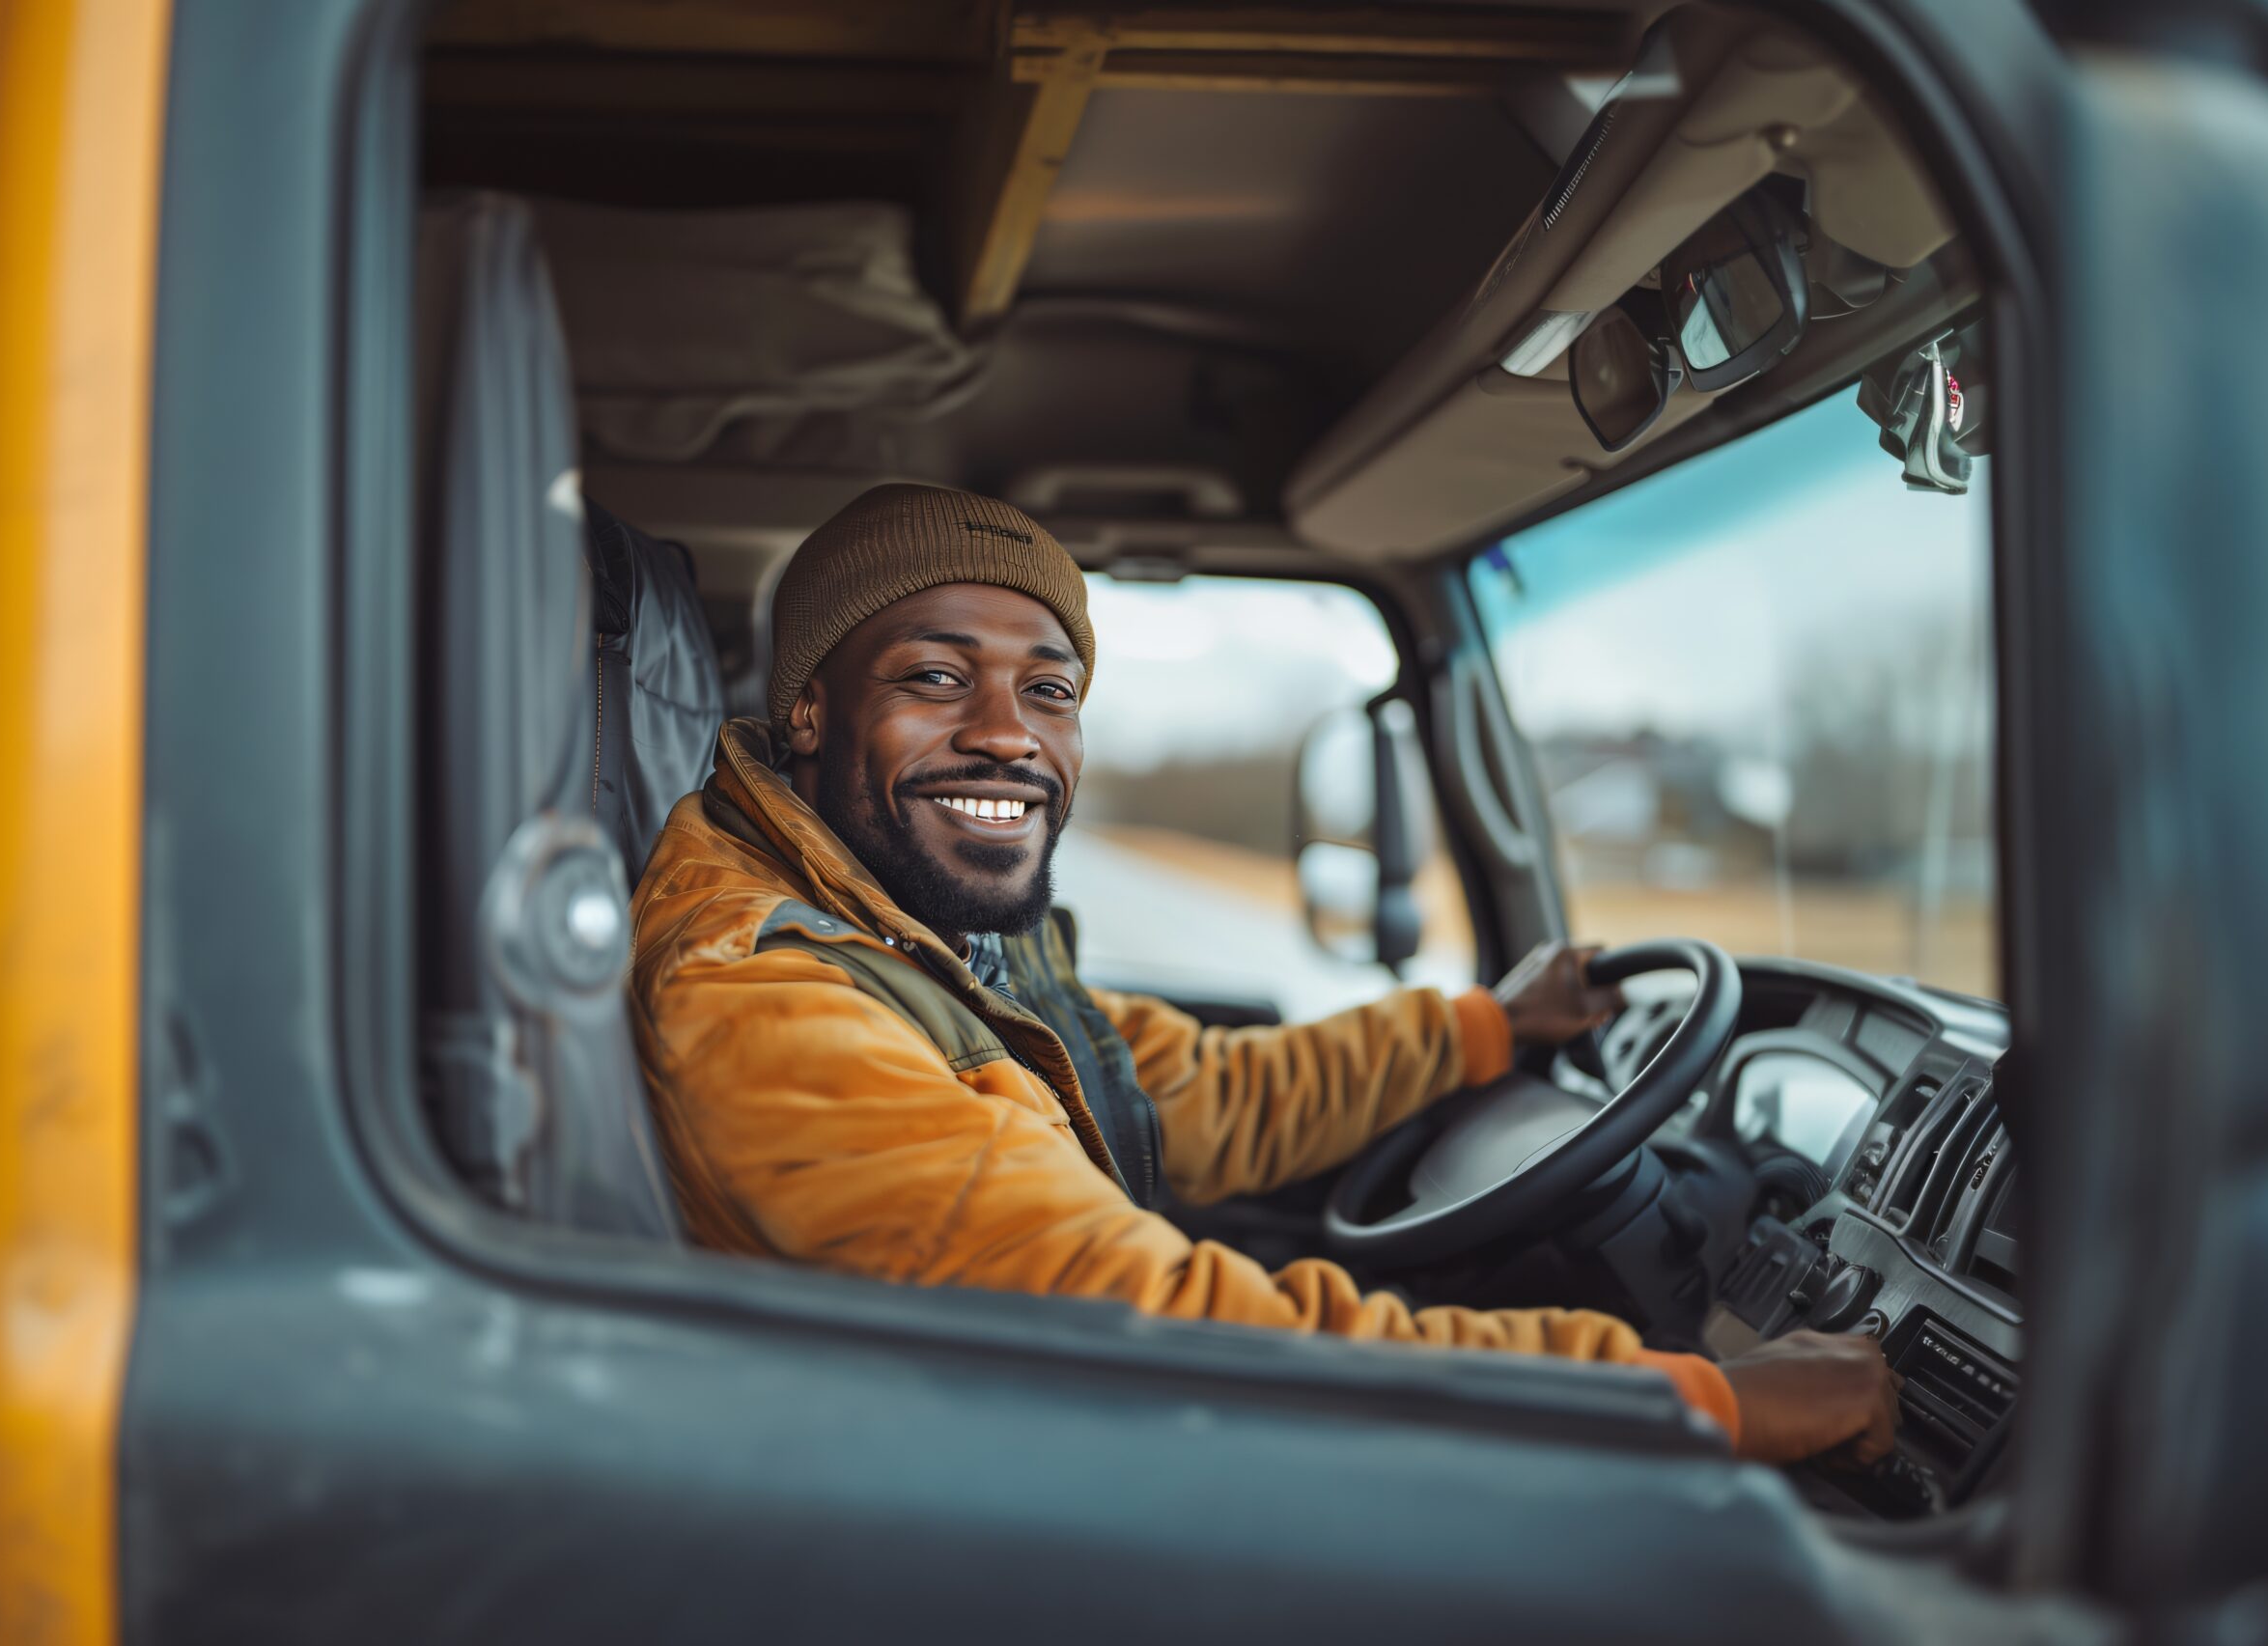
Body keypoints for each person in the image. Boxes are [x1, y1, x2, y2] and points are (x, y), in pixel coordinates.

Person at [629, 482, 1898, 1464]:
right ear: (808, 710)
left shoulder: (915, 927)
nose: (1009, 734)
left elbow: (1197, 1096)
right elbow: (1155, 1334)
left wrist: (1483, 1029)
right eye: (935, 677)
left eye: (1050, 689)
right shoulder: (767, 997)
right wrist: (1700, 1405)